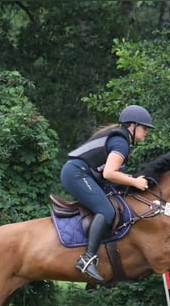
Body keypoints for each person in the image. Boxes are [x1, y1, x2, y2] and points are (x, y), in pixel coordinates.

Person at [60, 104, 153, 282]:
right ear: (132, 126)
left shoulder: (119, 138)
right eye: (144, 128)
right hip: (77, 173)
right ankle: (87, 259)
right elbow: (109, 173)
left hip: (81, 173)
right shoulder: (121, 142)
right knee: (107, 211)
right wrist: (135, 181)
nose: (146, 132)